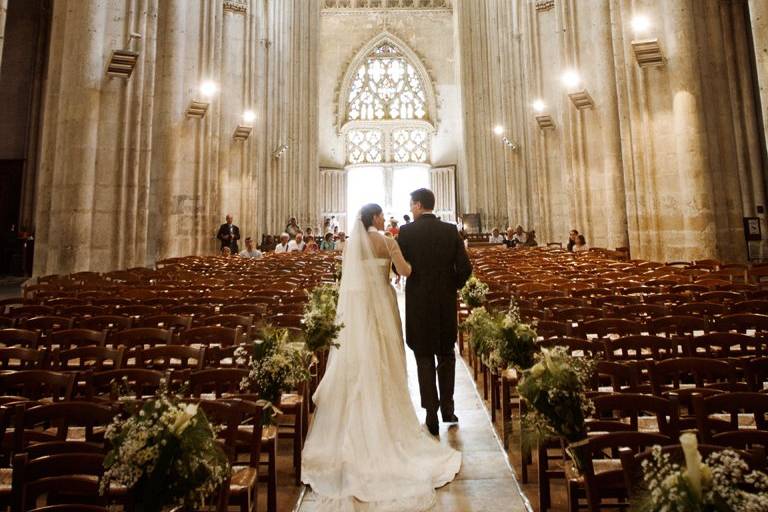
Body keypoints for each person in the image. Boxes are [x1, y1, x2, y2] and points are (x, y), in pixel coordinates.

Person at [302, 202, 461, 511]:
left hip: (359, 309)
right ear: (375, 217)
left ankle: (355, 424)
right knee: (386, 359)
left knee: (359, 360)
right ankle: (394, 417)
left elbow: (345, 277)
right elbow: (406, 271)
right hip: (382, 305)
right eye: (378, 214)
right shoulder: (387, 241)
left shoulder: (351, 245)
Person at [398, 188, 473, 437]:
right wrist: (451, 286)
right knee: (446, 354)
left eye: (411, 204)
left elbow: (401, 269)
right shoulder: (450, 230)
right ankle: (448, 409)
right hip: (444, 303)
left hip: (419, 303)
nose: (410, 209)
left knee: (423, 357)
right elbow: (465, 268)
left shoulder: (407, 232)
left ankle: (430, 411)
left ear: (419, 205)